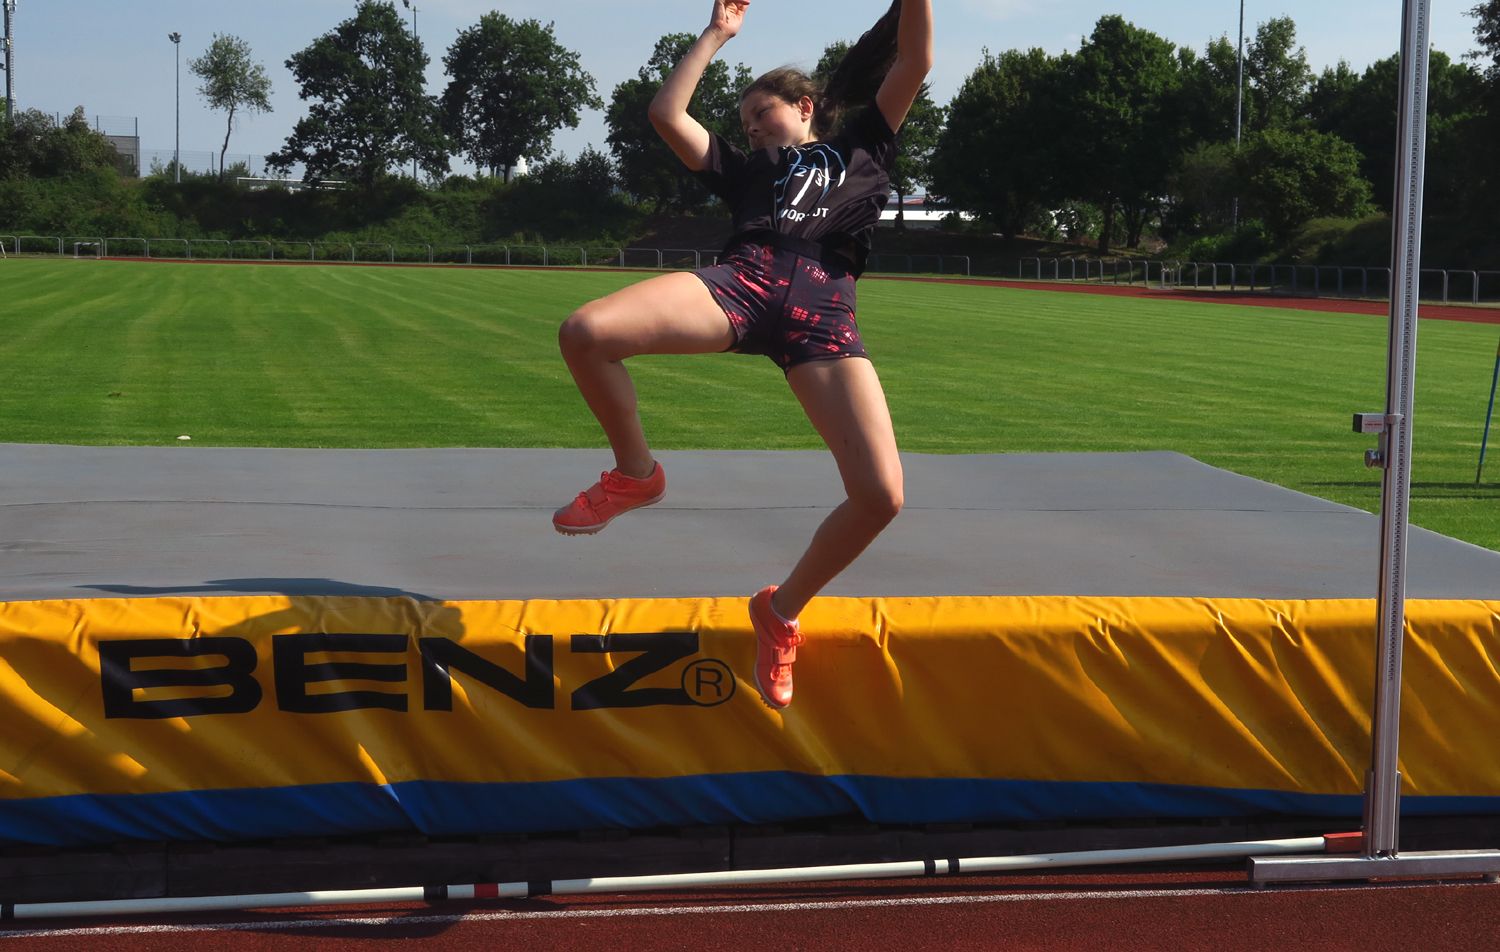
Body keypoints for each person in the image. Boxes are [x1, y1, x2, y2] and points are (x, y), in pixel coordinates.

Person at [554, 0, 933, 710]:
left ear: (805, 106)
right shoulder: (746, 170)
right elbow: (667, 115)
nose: (752, 128)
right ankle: (636, 474)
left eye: (763, 113)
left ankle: (780, 612)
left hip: (824, 313)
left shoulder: (863, 146)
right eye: (746, 122)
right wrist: (716, 35)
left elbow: (914, 60)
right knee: (585, 332)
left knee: (882, 496)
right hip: (745, 283)